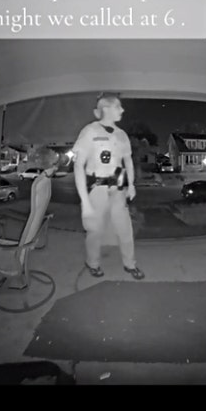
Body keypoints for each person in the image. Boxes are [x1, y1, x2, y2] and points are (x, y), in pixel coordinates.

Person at [72, 94, 143, 279]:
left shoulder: (122, 135)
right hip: (97, 188)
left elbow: (128, 160)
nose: (122, 110)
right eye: (118, 106)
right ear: (106, 109)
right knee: (95, 231)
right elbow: (78, 165)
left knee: (125, 228)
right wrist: (85, 202)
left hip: (118, 188)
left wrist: (132, 185)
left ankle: (130, 264)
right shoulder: (90, 131)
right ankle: (92, 263)